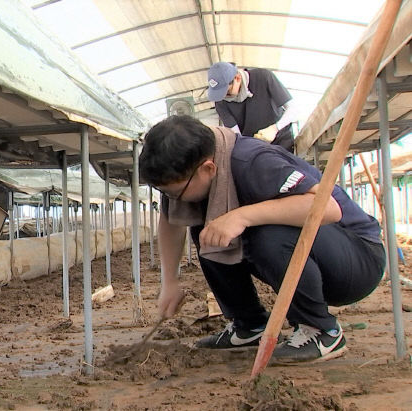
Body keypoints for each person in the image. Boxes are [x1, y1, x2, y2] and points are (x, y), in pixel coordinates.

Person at [139, 115, 385, 363]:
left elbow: (328, 208)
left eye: (174, 191)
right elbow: (171, 219)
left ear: (208, 168)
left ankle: (321, 331)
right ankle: (249, 324)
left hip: (357, 260)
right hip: (325, 256)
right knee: (209, 231)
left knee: (266, 234)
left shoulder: (252, 161)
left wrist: (242, 216)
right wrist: (169, 281)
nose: (173, 198)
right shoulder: (192, 170)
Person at [207, 61, 298, 153]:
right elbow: (237, 135)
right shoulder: (220, 102)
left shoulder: (263, 77)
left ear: (237, 78)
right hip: (256, 149)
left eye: (227, 92)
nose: (223, 97)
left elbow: (293, 109)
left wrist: (275, 128)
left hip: (282, 140)